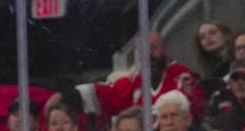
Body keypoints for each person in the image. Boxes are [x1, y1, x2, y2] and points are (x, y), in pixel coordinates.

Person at [47, 31, 206, 121]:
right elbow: (106, 93)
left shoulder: (181, 75)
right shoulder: (134, 81)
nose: (149, 54)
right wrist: (65, 95)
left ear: (164, 49)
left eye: (154, 48)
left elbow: (193, 110)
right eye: (143, 50)